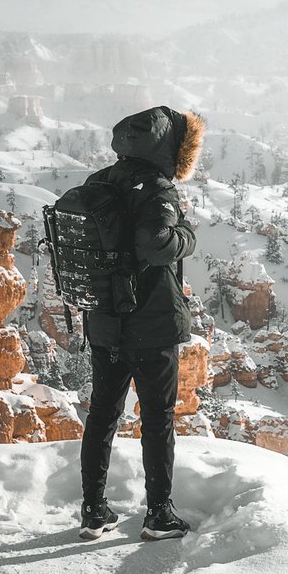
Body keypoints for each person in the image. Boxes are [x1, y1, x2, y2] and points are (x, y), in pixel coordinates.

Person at [78, 105, 204, 541]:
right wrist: (187, 234)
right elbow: (156, 245)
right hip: (150, 325)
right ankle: (159, 515)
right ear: (170, 148)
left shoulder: (100, 182)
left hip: (105, 321)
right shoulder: (156, 189)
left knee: (102, 415)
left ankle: (94, 510)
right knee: (157, 418)